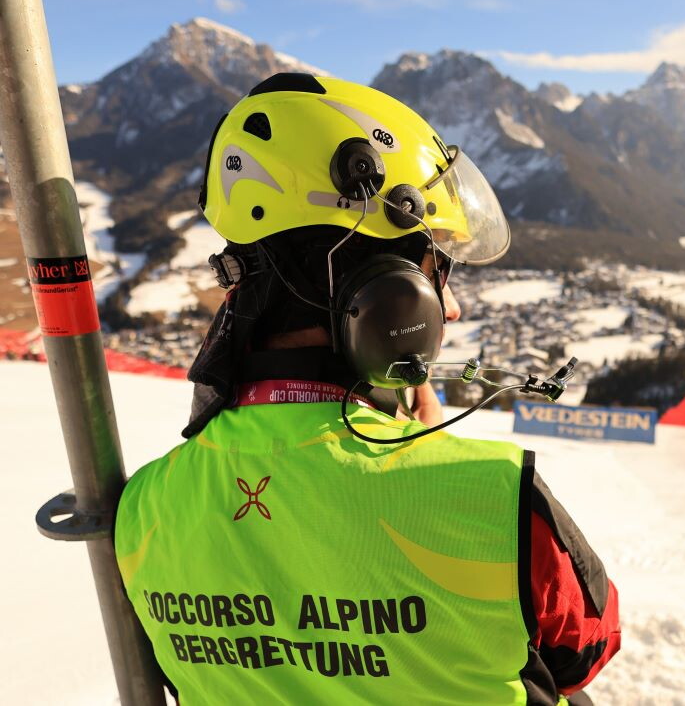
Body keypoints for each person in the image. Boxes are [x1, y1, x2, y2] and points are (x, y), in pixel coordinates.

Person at [114, 74, 619, 705]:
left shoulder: (139, 510)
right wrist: (411, 457)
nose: (452, 308)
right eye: (436, 269)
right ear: (384, 292)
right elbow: (586, 649)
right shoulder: (497, 495)